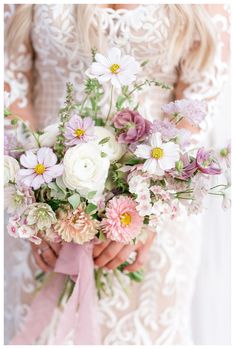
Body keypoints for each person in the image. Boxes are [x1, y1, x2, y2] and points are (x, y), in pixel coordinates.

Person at [4, 3, 229, 345]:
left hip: (155, 225)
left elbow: (196, 104)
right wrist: (39, 210)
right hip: (38, 212)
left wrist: (146, 210)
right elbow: (10, 85)